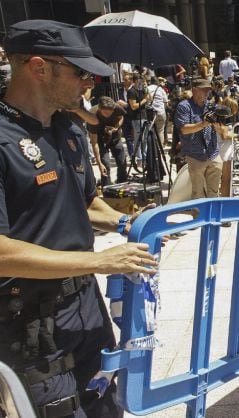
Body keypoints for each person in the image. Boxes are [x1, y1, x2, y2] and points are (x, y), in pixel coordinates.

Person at [0, 19, 159, 418]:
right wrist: (101, 261)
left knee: (106, 400)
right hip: (30, 320)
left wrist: (130, 224)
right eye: (80, 72)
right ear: (39, 68)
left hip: (85, 304)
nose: (89, 84)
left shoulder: (67, 128)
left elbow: (87, 204)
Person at [175, 78, 227, 199]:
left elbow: (223, 131)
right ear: (194, 90)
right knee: (197, 193)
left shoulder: (210, 106)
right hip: (195, 155)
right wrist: (203, 123)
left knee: (214, 192)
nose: (206, 93)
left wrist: (217, 125)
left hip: (213, 154)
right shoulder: (184, 106)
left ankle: (213, 217)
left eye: (208, 90)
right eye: (203, 90)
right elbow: (184, 129)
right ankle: (199, 216)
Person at [87, 96, 128, 186]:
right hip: (100, 140)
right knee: (105, 164)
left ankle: (123, 183)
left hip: (115, 136)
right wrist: (99, 163)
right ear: (99, 109)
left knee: (122, 161)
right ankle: (107, 187)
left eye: (110, 113)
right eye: (105, 113)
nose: (108, 115)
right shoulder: (92, 115)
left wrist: (116, 127)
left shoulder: (117, 108)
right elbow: (94, 143)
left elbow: (121, 117)